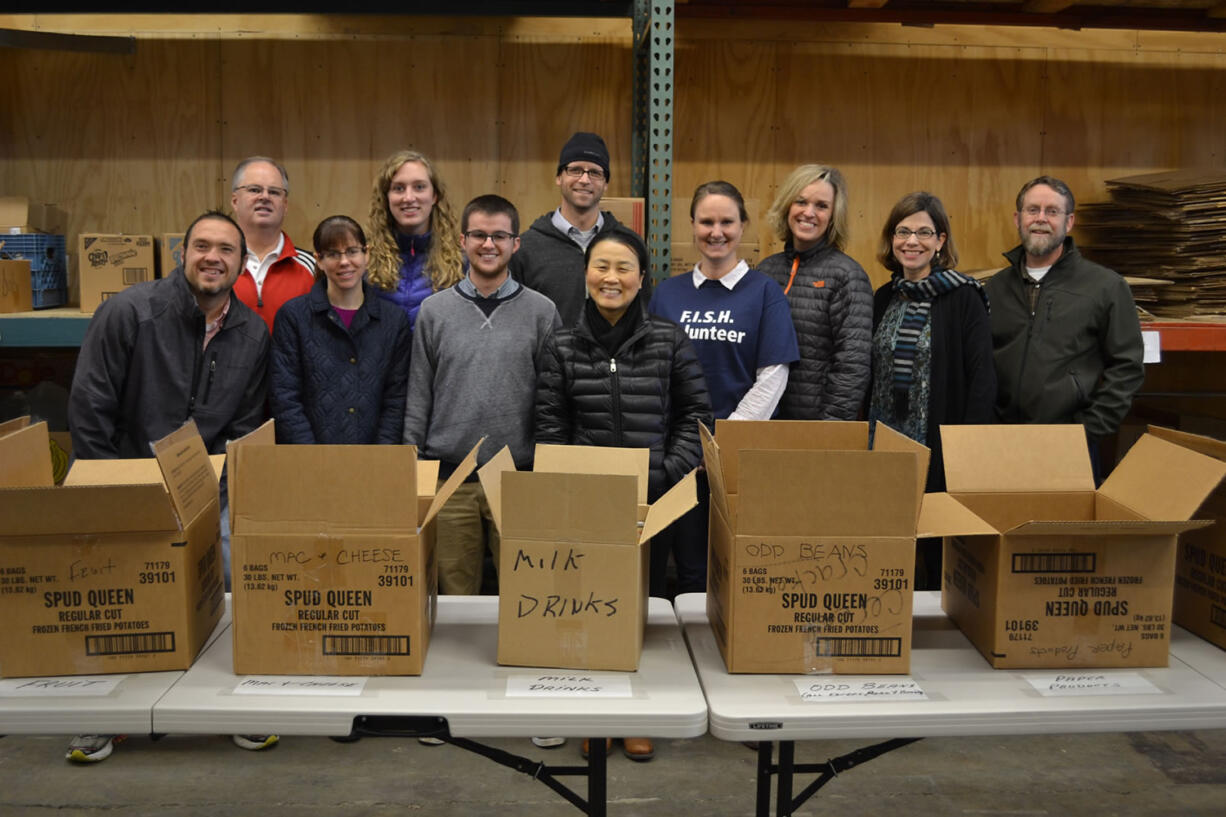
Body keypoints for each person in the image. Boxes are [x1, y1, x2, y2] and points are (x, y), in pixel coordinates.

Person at [66, 211, 274, 762]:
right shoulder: (130, 313)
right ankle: (103, 715)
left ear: (239, 260)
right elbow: (91, 409)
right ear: (183, 253)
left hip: (207, 488)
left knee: (233, 574)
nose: (213, 257)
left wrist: (210, 490)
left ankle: (233, 704)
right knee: (120, 597)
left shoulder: (252, 332)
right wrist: (112, 491)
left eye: (226, 249)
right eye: (202, 246)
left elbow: (244, 425)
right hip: (124, 483)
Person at [536, 228, 712, 761]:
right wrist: (571, 485)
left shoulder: (668, 339)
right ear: (586, 275)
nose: (611, 278)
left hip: (652, 504)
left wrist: (663, 473)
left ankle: (640, 718)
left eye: (623, 268)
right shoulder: (562, 345)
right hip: (586, 505)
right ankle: (598, 717)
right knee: (591, 613)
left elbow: (696, 417)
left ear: (641, 279)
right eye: (601, 267)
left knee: (643, 609)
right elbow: (550, 427)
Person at [403, 194, 560, 596]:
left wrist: (546, 469)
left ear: (515, 243)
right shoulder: (434, 312)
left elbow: (552, 398)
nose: (488, 245)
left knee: (524, 593)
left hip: (517, 476)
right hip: (450, 478)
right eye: (478, 235)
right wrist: (413, 465)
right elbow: (419, 393)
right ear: (462, 240)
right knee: (454, 597)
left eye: (499, 236)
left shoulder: (542, 312)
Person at [648, 181, 799, 595]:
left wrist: (718, 445)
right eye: (707, 221)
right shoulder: (666, 294)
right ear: (692, 225)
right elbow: (651, 375)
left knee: (716, 573)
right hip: (672, 458)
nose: (716, 232)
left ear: (743, 226)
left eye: (727, 222)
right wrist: (682, 447)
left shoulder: (764, 293)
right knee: (667, 569)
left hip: (730, 460)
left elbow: (773, 376)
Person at [868, 192, 995, 589]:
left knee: (936, 543)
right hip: (885, 442)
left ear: (941, 241)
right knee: (887, 541)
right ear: (891, 239)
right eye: (903, 231)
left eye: (924, 232)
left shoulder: (963, 297)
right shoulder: (884, 297)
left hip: (937, 442)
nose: (912, 241)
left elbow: (982, 377)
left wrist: (966, 449)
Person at [985, 176, 1144, 482]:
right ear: (1018, 219)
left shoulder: (1106, 287)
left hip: (1070, 447)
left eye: (1052, 211)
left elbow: (1127, 367)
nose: (1041, 219)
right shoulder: (995, 288)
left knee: (1062, 530)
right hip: (1000, 443)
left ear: (1069, 222)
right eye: (1032, 210)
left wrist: (1087, 431)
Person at [270, 215, 411, 444]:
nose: (344, 262)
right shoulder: (293, 317)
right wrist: (313, 459)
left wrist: (381, 456)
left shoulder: (394, 321)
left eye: (352, 251)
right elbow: (285, 398)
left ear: (366, 254)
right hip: (309, 463)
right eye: (333, 254)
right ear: (319, 260)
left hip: (374, 463)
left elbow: (396, 400)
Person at [759, 164, 872, 420]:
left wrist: (829, 428)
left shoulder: (847, 276)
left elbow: (852, 364)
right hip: (763, 420)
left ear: (833, 216)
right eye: (801, 201)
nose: (809, 213)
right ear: (788, 205)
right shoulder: (766, 270)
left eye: (821, 206)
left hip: (815, 426)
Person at [509, 131, 626, 327]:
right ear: (559, 177)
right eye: (575, 170)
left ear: (606, 184)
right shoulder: (525, 249)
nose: (584, 180)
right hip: (548, 358)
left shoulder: (628, 245)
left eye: (595, 173)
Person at [366, 150, 465, 332]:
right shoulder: (365, 260)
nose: (409, 198)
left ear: (434, 195)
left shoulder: (461, 262)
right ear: (386, 197)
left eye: (419, 187)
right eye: (398, 188)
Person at [229, 156, 316, 333]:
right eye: (254, 190)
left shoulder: (313, 268)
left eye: (275, 192)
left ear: (285, 205)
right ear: (235, 201)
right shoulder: (216, 265)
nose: (265, 197)